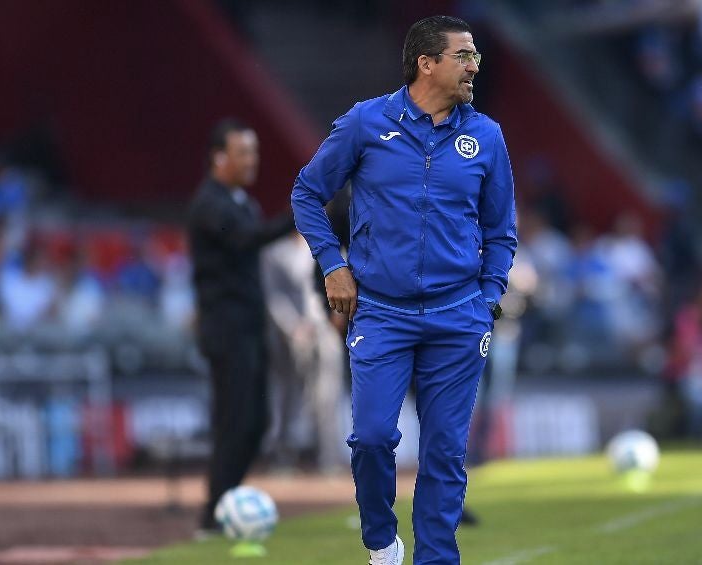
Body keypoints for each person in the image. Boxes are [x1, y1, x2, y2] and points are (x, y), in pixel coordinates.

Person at [290, 15, 516, 564]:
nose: (474, 66)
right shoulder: (366, 123)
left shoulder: (485, 136)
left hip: (459, 313)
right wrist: (332, 264)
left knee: (444, 453)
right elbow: (306, 193)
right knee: (371, 438)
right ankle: (381, 542)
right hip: (382, 314)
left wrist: (487, 299)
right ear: (427, 62)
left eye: (476, 56)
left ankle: (436, 558)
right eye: (463, 55)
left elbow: (501, 231)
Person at [187, 118, 295, 536]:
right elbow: (248, 239)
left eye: (254, 152)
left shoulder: (240, 202)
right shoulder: (210, 204)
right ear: (219, 158)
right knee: (235, 421)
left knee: (257, 421)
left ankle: (224, 500)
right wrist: (299, 215)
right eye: (243, 152)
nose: (252, 161)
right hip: (227, 329)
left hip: (249, 327)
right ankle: (214, 512)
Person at [262, 232, 346, 474]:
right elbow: (274, 296)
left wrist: (337, 317)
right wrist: (293, 327)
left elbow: (342, 281)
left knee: (327, 395)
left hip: (323, 327)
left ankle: (328, 458)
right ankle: (283, 456)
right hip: (290, 334)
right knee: (289, 394)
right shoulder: (276, 251)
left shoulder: (330, 243)